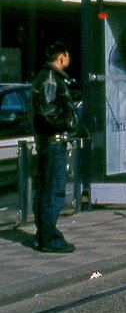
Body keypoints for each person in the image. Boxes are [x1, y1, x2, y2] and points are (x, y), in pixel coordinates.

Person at [31, 41, 79, 254]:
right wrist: (69, 124)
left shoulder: (45, 77)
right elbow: (49, 112)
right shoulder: (51, 80)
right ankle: (49, 238)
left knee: (44, 190)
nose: (69, 59)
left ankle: (43, 235)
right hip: (53, 143)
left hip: (46, 142)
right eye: (68, 55)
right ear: (62, 56)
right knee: (53, 191)